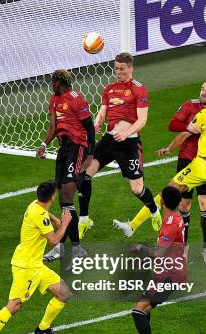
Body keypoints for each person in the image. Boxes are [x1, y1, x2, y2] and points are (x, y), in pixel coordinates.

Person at [118, 87, 206, 271]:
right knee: (168, 193)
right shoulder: (204, 114)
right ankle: (133, 225)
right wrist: (170, 148)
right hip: (198, 165)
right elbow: (186, 133)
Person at [0, 180, 72, 334]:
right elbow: (53, 240)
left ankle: (43, 328)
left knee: (64, 292)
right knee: (14, 305)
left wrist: (54, 218)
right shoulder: (40, 215)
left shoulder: (35, 205)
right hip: (26, 267)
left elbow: (44, 213)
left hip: (35, 264)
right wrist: (65, 223)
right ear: (52, 196)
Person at [82, 52, 162, 233]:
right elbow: (103, 111)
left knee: (137, 189)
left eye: (122, 69)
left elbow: (142, 119)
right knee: (84, 174)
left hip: (129, 144)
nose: (118, 72)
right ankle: (84, 219)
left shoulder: (139, 89)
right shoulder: (109, 88)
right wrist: (97, 122)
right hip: (109, 141)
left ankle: (154, 210)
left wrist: (126, 133)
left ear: (131, 68)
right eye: (116, 68)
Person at [124, 186, 186, 334]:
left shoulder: (170, 223)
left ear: (162, 201)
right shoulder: (175, 218)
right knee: (143, 304)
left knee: (138, 310)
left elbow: (159, 254)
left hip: (170, 276)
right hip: (169, 272)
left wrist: (141, 248)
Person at [36, 69, 95, 262]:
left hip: (77, 148)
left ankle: (70, 248)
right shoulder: (54, 99)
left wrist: (90, 154)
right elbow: (53, 127)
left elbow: (89, 127)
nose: (50, 84)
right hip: (63, 150)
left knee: (67, 196)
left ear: (57, 82)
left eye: (52, 81)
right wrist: (44, 144)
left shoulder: (77, 100)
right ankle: (71, 248)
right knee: (62, 199)